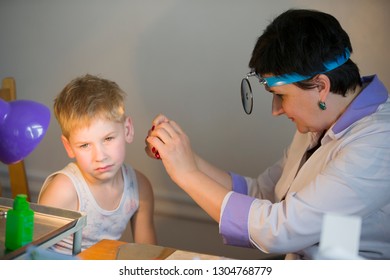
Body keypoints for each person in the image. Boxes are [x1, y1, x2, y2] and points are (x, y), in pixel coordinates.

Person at [145, 9, 390, 260]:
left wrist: (186, 174)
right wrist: (185, 156)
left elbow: (279, 230)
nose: (276, 110)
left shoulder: (378, 144)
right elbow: (264, 193)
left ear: (321, 87)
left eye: (281, 96)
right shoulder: (318, 124)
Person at [39, 74, 157, 254]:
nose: (100, 156)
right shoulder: (64, 191)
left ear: (127, 130)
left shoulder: (140, 188)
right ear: (69, 147)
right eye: (85, 145)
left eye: (108, 138)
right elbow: (31, 259)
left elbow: (148, 257)